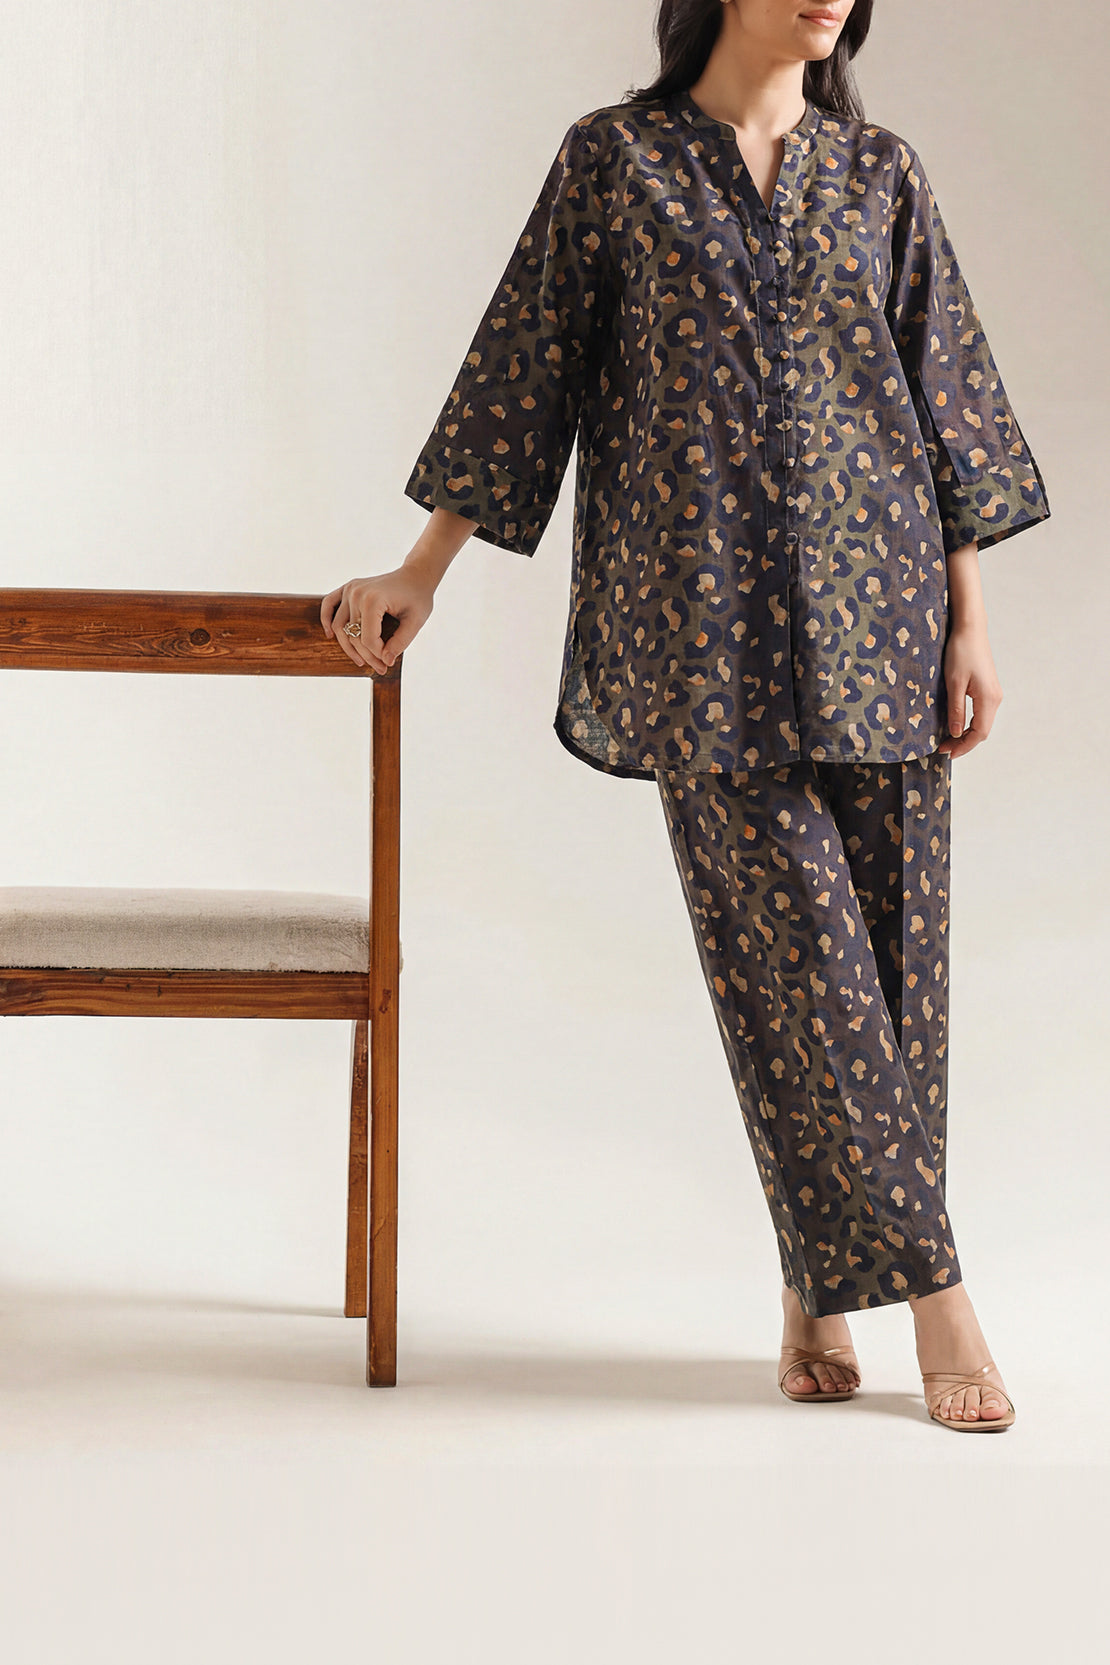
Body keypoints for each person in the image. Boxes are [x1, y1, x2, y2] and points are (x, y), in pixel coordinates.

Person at [320, 0, 1050, 1430]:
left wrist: (970, 623)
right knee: (799, 971)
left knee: (894, 980)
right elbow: (524, 368)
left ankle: (817, 1283)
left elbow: (945, 404)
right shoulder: (616, 163)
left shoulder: (881, 173)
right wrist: (421, 570)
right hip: (698, 631)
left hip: (886, 622)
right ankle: (941, 1298)